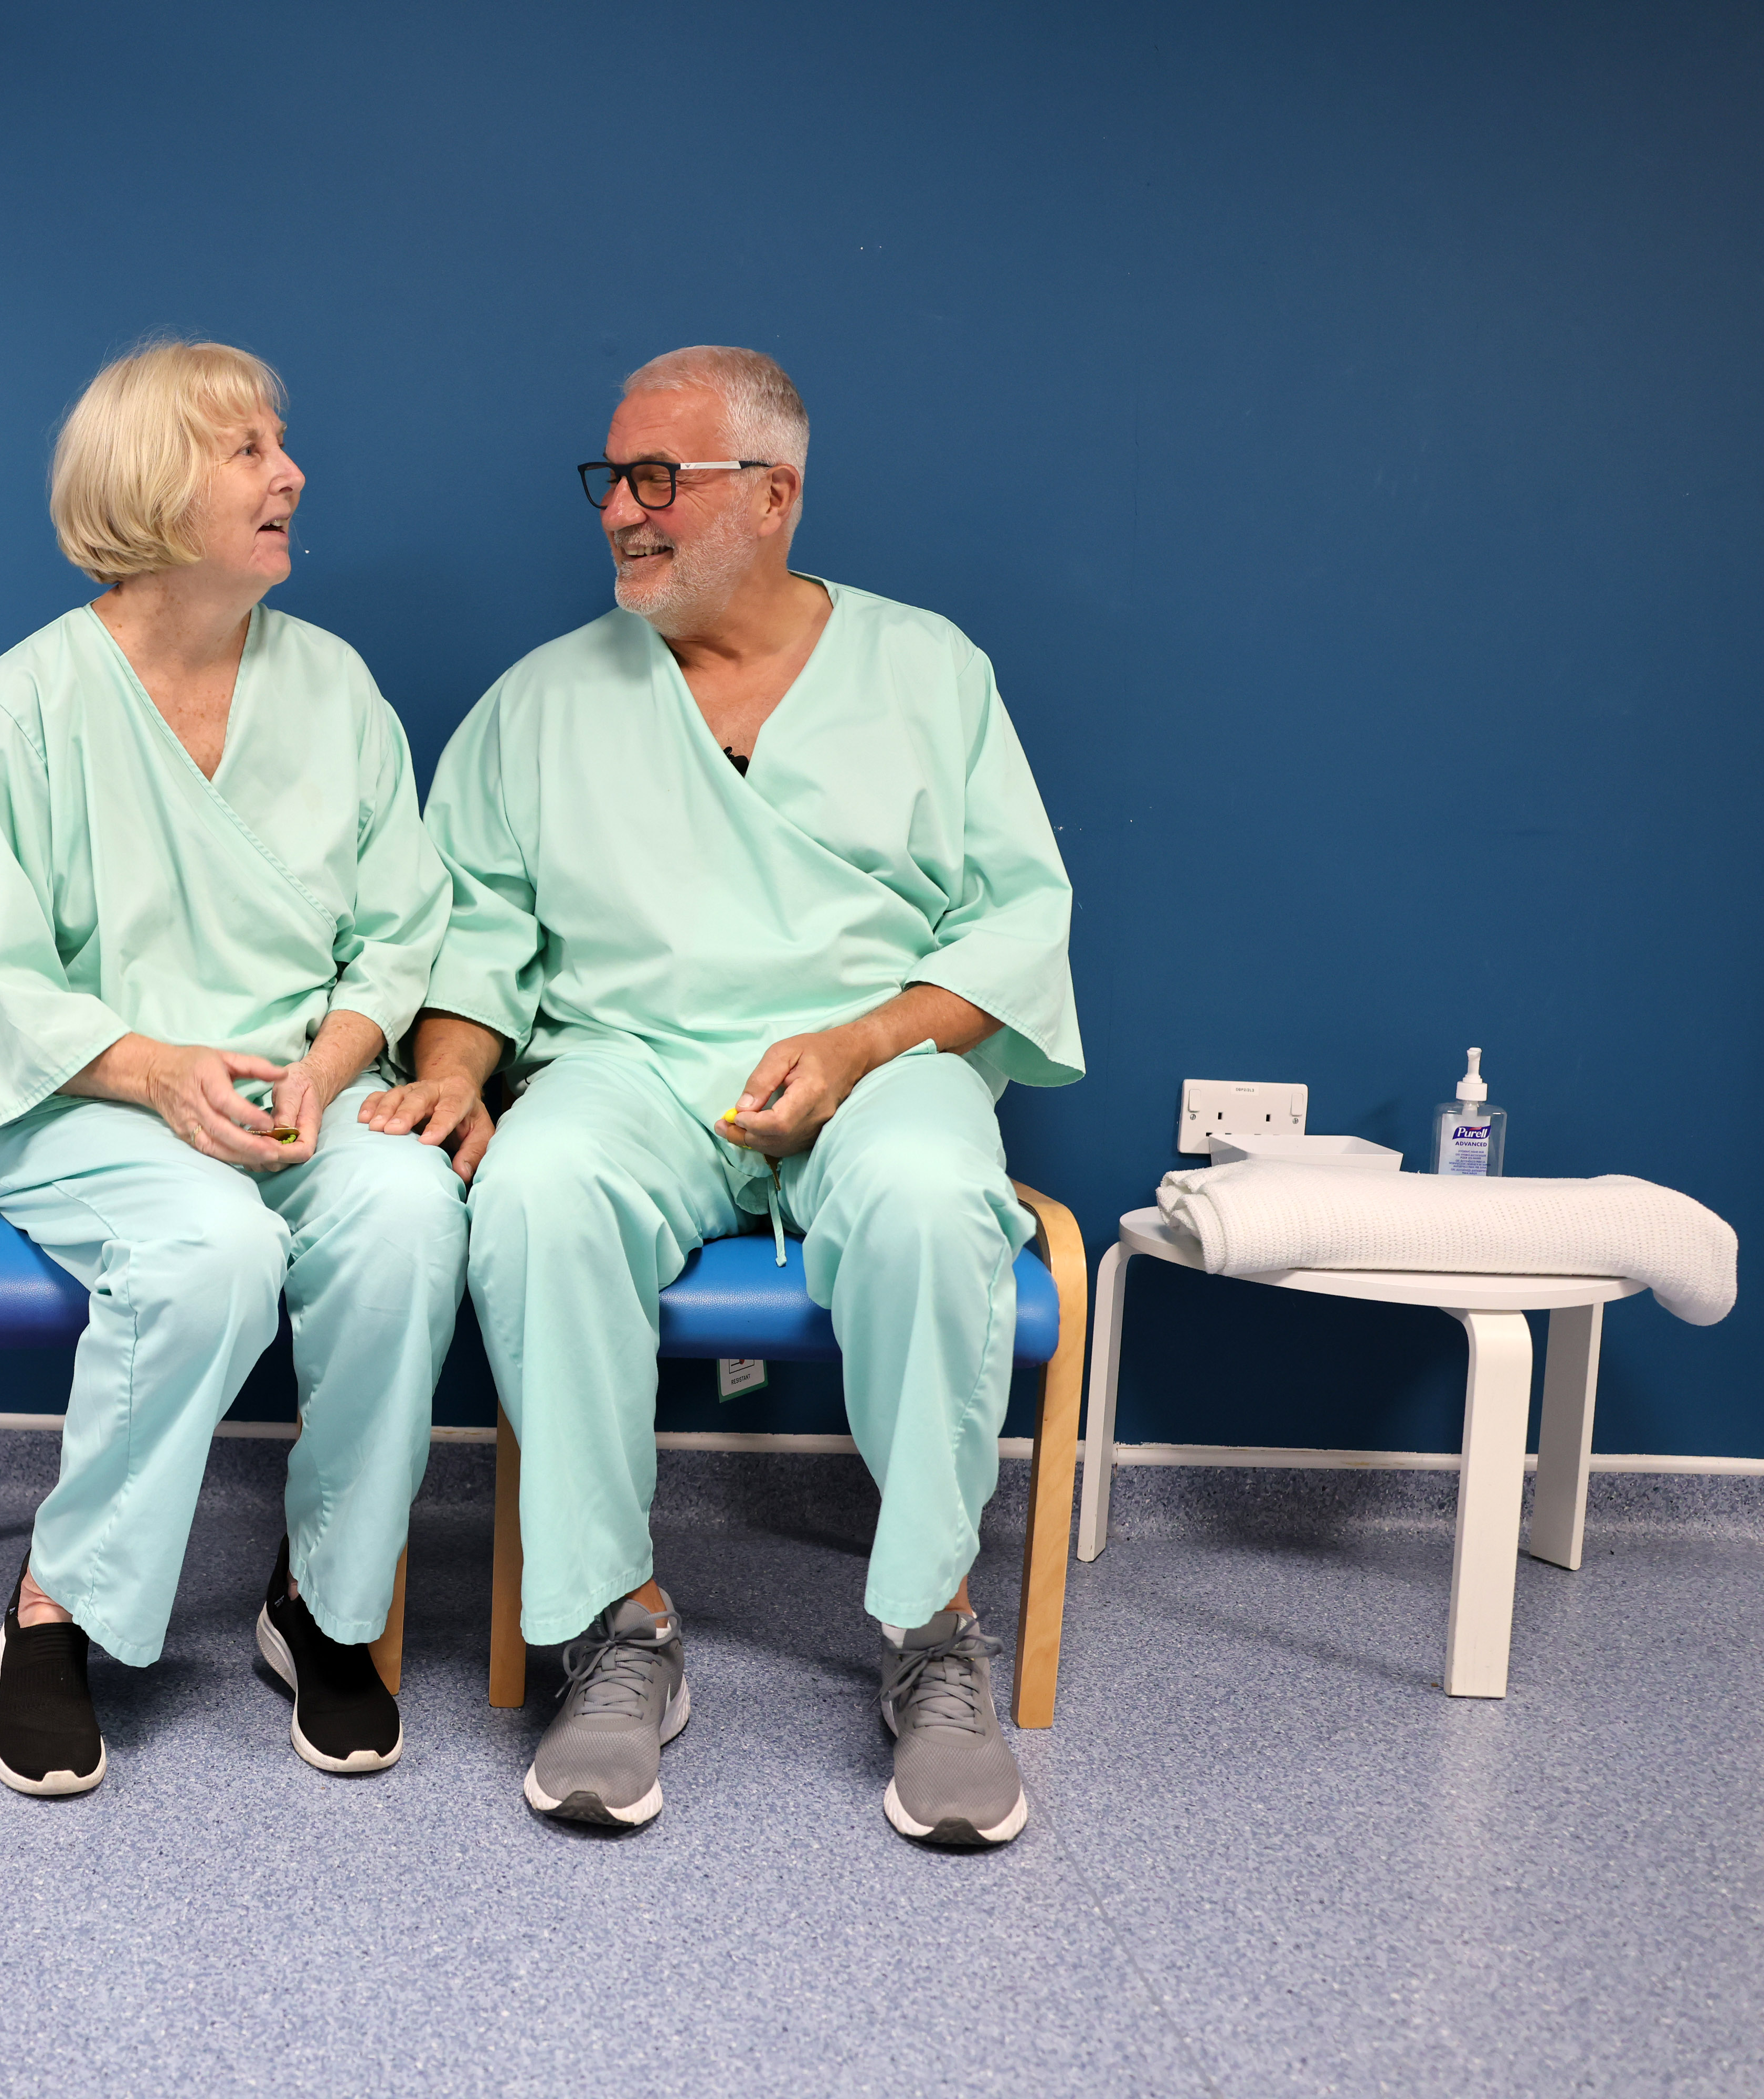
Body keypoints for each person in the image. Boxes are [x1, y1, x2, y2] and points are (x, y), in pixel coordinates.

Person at [363, 346, 1081, 1845]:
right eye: (611, 480)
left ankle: (933, 1636)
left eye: (659, 480)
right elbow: (475, 935)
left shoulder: (930, 674)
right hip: (630, 1063)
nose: (625, 512)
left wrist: (870, 1043)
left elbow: (1017, 925)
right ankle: (616, 1632)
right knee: (539, 1192)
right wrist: (449, 1078)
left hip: (878, 1062)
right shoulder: (539, 705)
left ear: (773, 494)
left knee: (943, 1203)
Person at [0, 340, 465, 1798]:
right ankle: (58, 1605)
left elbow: (402, 926)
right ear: (154, 491)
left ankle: (328, 1609)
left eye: (283, 445)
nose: (292, 475)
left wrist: (327, 1065)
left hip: (303, 1089)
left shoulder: (334, 687)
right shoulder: (25, 704)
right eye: (248, 451)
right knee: (212, 1249)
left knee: (410, 1213)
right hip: (88, 1097)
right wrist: (160, 1075)